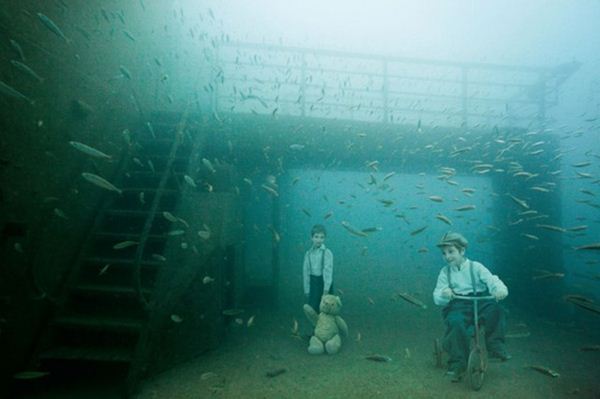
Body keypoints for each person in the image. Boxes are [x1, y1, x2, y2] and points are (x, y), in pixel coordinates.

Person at [432, 231, 510, 382]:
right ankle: (457, 364)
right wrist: (444, 293)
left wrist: (499, 290)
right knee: (455, 322)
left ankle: (495, 346)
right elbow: (437, 295)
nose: (447, 256)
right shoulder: (444, 272)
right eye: (444, 253)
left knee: (497, 310)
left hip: (481, 300)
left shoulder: (476, 267)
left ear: (462, 251)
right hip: (458, 304)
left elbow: (492, 280)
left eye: (451, 251)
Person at [303, 224, 334, 312]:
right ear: (311, 237)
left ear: (324, 238)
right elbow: (306, 272)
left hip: (324, 283)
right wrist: (307, 289)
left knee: (327, 310)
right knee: (313, 309)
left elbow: (328, 272)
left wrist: (326, 291)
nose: (319, 240)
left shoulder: (327, 253)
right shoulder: (308, 254)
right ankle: (315, 326)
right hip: (313, 284)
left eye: (322, 237)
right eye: (316, 237)